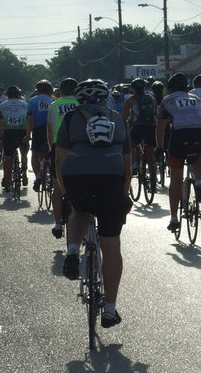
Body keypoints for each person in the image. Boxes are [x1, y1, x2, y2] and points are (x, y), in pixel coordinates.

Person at [57, 79, 131, 328]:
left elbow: (60, 161)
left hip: (76, 177)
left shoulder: (70, 119)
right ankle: (109, 309)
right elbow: (127, 166)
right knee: (111, 244)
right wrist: (123, 195)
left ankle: (72, 251)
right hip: (111, 178)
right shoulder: (119, 120)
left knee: (79, 210)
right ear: (105, 98)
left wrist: (66, 193)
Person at [156, 73, 201, 232]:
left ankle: (174, 218)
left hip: (180, 134)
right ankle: (199, 182)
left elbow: (160, 128)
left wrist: (159, 148)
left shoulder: (167, 100)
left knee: (176, 179)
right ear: (186, 88)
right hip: (200, 131)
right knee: (197, 156)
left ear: (170, 89)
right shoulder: (196, 99)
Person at [47, 77, 78, 239]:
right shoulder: (81, 103)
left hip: (59, 145)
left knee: (57, 185)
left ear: (61, 91)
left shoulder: (54, 105)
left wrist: (50, 147)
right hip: (79, 144)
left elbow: (50, 130)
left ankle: (58, 224)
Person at [122, 78, 158, 182]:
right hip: (152, 127)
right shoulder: (152, 99)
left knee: (131, 146)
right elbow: (156, 114)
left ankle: (134, 164)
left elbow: (124, 117)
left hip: (138, 127)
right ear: (144, 88)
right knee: (150, 151)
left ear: (132, 89)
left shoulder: (130, 100)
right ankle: (153, 169)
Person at [0, 85, 29, 191]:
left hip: (9, 132)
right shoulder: (25, 105)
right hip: (22, 131)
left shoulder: (2, 105)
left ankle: (7, 180)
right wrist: (29, 134)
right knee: (24, 152)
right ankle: (24, 168)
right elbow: (29, 121)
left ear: (7, 95)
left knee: (8, 157)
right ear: (19, 94)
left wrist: (0, 136)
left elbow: (0, 124)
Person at [27, 79, 54, 192]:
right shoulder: (53, 101)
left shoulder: (31, 101)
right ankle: (51, 174)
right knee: (51, 154)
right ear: (50, 91)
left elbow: (30, 121)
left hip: (38, 130)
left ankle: (38, 177)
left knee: (34, 154)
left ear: (37, 91)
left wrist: (28, 134)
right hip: (50, 129)